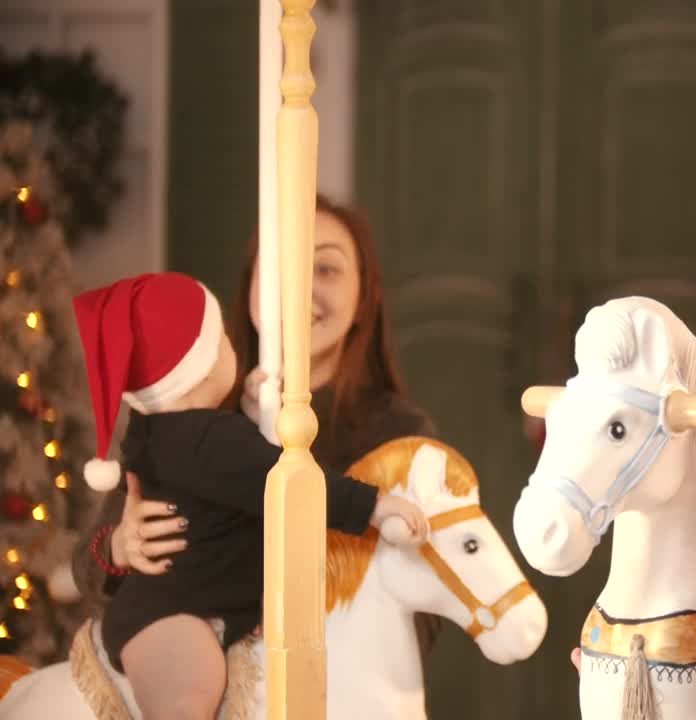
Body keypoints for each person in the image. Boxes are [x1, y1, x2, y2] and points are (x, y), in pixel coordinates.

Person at [72, 195, 446, 699]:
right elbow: (88, 562)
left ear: (365, 300)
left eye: (327, 269)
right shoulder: (190, 416)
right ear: (249, 288)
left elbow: (430, 602)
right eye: (280, 267)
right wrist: (119, 546)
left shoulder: (400, 434)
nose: (299, 287)